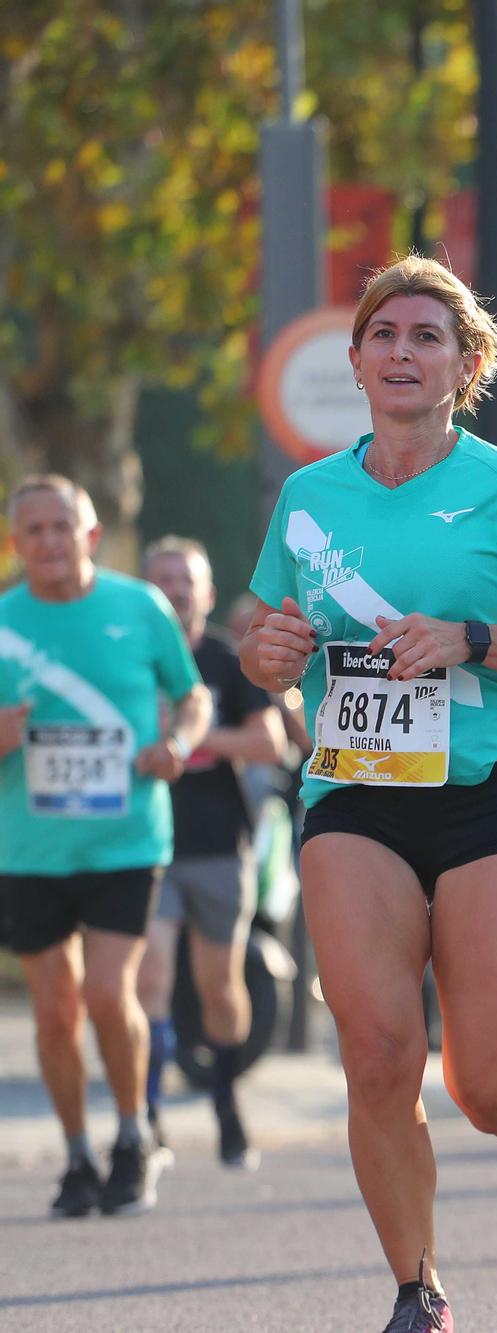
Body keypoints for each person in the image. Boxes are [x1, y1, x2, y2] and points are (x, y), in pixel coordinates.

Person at [241, 256, 497, 1331]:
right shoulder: (310, 497)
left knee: (485, 1078)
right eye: (384, 334)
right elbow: (264, 640)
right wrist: (270, 650)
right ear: (354, 359)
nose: (402, 352)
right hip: (354, 791)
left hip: (488, 791)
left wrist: (476, 639)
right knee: (377, 1050)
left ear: (467, 363)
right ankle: (419, 1287)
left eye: (427, 336)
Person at [0, 475, 212, 1218]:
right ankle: (78, 1153)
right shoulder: (2, 621)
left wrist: (179, 741)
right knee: (55, 1010)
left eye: (65, 526)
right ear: (16, 543)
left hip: (128, 835)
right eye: (36, 530)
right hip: (29, 846)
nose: (51, 542)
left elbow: (191, 693)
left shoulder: (139, 606)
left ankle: (131, 1131)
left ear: (90, 535)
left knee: (104, 992)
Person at [137, 536, 288, 1169]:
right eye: (162, 579)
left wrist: (193, 738)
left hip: (221, 845)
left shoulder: (228, 663)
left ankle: (227, 1106)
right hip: (148, 845)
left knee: (219, 986)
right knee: (149, 981)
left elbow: (271, 743)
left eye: (185, 580)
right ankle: (144, 1121)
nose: (174, 590)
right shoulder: (132, 659)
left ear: (205, 593)